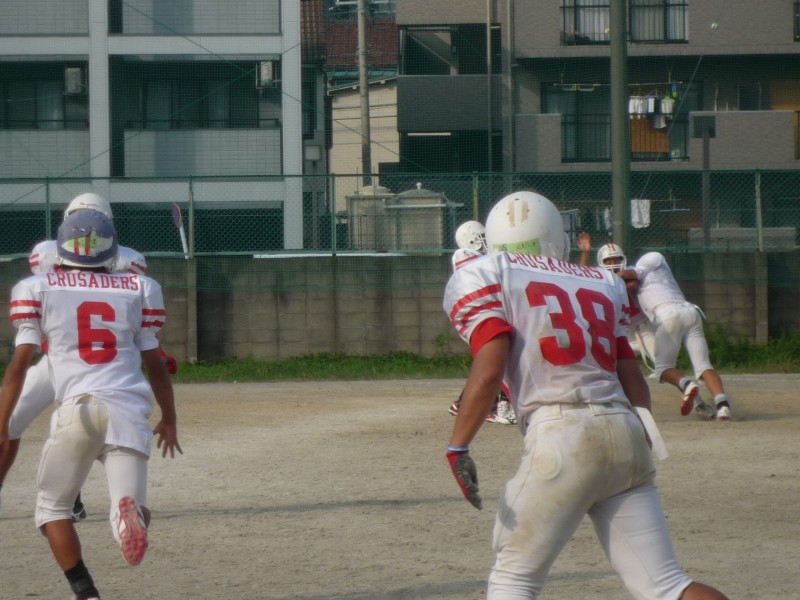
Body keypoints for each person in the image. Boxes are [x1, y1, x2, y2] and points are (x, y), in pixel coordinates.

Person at [442, 190, 729, 600]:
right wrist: (642, 432)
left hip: (560, 432)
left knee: (513, 581)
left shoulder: (486, 272)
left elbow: (489, 370)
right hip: (624, 428)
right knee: (667, 585)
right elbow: (631, 375)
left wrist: (458, 447)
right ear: (557, 236)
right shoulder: (602, 280)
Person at [0, 209, 182, 600]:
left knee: (52, 510)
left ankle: (87, 593)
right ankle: (127, 515)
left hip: (78, 407)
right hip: (128, 409)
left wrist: (1, 426)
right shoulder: (138, 287)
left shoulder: (37, 286)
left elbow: (18, 368)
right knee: (130, 508)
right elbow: (155, 366)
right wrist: (169, 419)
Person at [618, 251, 732, 421]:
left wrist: (608, 277)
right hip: (689, 312)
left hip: (666, 315)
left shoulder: (652, 258)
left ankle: (688, 385)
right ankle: (722, 406)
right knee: (703, 365)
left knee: (663, 368)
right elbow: (632, 281)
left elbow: (629, 276)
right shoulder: (649, 273)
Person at [448, 220, 516, 425]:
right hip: (478, 316)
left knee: (490, 362)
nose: (486, 241)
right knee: (502, 359)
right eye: (480, 237)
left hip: (485, 313)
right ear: (469, 241)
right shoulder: (463, 255)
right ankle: (503, 406)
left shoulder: (482, 259)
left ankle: (462, 404)